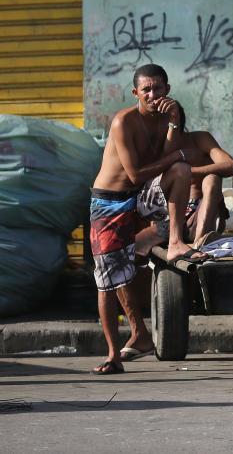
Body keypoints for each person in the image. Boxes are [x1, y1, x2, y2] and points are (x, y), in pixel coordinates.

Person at [88, 63, 207, 374]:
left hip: (142, 196)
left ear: (168, 89)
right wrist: (178, 156)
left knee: (181, 172)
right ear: (135, 93)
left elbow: (167, 160)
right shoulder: (123, 122)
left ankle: (176, 241)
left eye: (158, 88)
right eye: (146, 90)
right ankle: (114, 354)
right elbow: (135, 173)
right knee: (108, 280)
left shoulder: (168, 116)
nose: (153, 95)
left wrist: (174, 124)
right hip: (110, 202)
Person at [133, 103, 233, 261]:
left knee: (212, 178)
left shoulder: (199, 139)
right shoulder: (157, 149)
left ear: (178, 125)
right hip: (171, 222)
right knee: (133, 248)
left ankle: (199, 242)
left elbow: (231, 166)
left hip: (202, 216)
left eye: (170, 125)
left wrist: (189, 172)